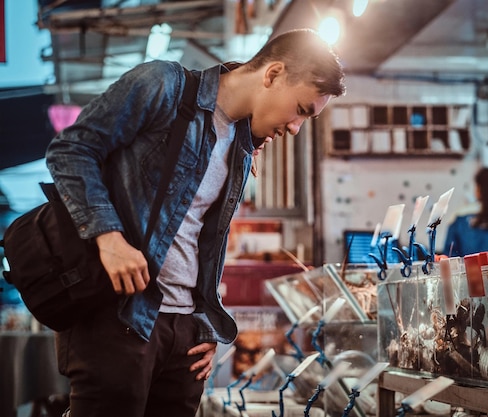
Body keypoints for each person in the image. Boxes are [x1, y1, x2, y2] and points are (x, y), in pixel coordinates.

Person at [45, 29, 345, 417]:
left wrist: (203, 322)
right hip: (121, 318)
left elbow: (202, 240)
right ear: (272, 74)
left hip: (184, 335)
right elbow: (70, 150)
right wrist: (109, 237)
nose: (295, 128)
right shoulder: (163, 86)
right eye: (302, 109)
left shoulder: (241, 145)